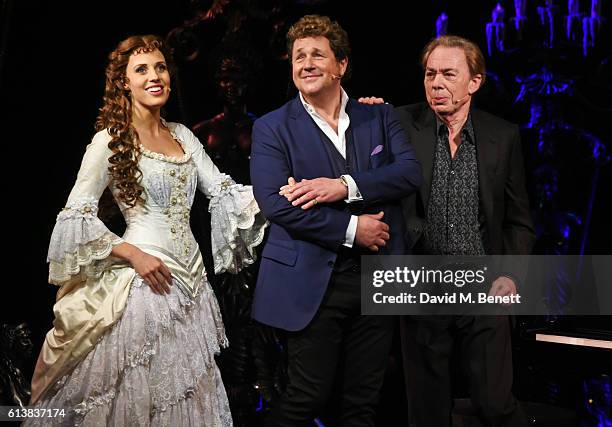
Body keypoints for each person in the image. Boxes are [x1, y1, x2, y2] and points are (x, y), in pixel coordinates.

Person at [26, 35, 267, 426]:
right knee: (137, 397)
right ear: (124, 82)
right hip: (143, 284)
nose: (154, 76)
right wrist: (134, 255)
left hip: (190, 283)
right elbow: (75, 216)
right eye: (142, 69)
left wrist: (288, 191)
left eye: (160, 67)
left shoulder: (183, 135)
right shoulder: (110, 140)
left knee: (187, 394)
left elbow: (225, 192)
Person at [250, 15, 422, 427]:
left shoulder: (378, 116)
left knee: (363, 405)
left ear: (342, 65)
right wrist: (352, 230)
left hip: (377, 279)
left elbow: (408, 174)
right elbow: (277, 204)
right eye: (298, 57)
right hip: (311, 281)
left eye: (317, 55)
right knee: (307, 399)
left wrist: (343, 186)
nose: (306, 64)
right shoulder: (272, 127)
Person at [395, 35, 535, 426]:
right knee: (427, 412)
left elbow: (519, 219)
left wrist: (510, 275)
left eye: (448, 74)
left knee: (495, 404)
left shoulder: (502, 137)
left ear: (474, 82)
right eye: (430, 74)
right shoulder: (401, 124)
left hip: (485, 285)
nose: (436, 83)